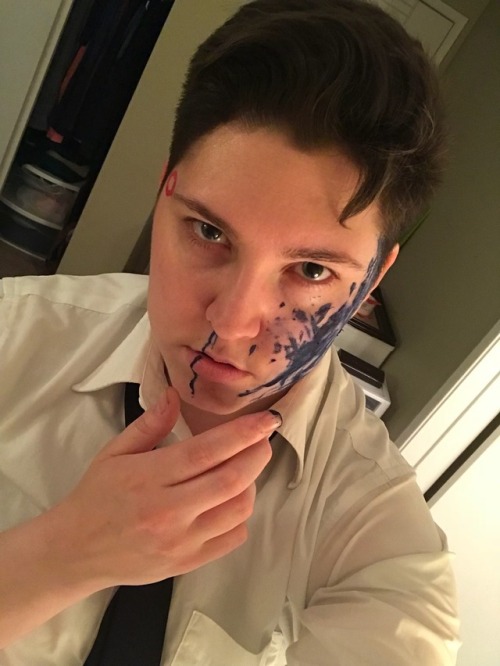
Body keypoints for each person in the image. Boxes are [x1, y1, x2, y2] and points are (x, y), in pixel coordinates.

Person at [0, 0, 460, 664]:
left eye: (311, 270)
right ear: (165, 187)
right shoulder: (15, 333)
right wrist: (57, 557)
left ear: (371, 282)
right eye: (209, 231)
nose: (232, 322)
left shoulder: (378, 550)